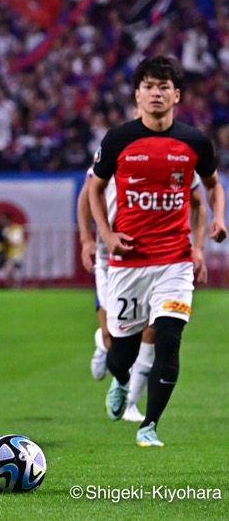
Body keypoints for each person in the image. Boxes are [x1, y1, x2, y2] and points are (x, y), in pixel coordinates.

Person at [89, 55, 226, 447]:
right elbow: (94, 190)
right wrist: (106, 235)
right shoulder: (118, 139)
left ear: (176, 95)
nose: (156, 93)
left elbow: (212, 185)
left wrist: (217, 219)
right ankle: (118, 380)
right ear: (138, 93)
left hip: (175, 260)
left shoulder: (194, 141)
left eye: (164, 87)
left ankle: (149, 425)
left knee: (168, 337)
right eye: (149, 86)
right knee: (123, 356)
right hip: (128, 261)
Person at [77, 161, 208, 422]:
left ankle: (131, 405)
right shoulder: (115, 149)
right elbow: (87, 194)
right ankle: (103, 344)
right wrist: (87, 239)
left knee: (154, 329)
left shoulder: (174, 156)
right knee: (114, 340)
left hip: (157, 259)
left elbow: (198, 201)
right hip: (111, 258)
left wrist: (197, 247)